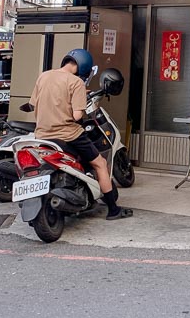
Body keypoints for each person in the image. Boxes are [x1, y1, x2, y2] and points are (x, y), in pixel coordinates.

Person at [31, 48, 132, 220]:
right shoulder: (76, 83)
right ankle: (113, 210)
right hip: (69, 134)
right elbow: (77, 115)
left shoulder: (44, 76)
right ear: (83, 67)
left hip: (42, 134)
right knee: (100, 164)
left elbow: (33, 104)